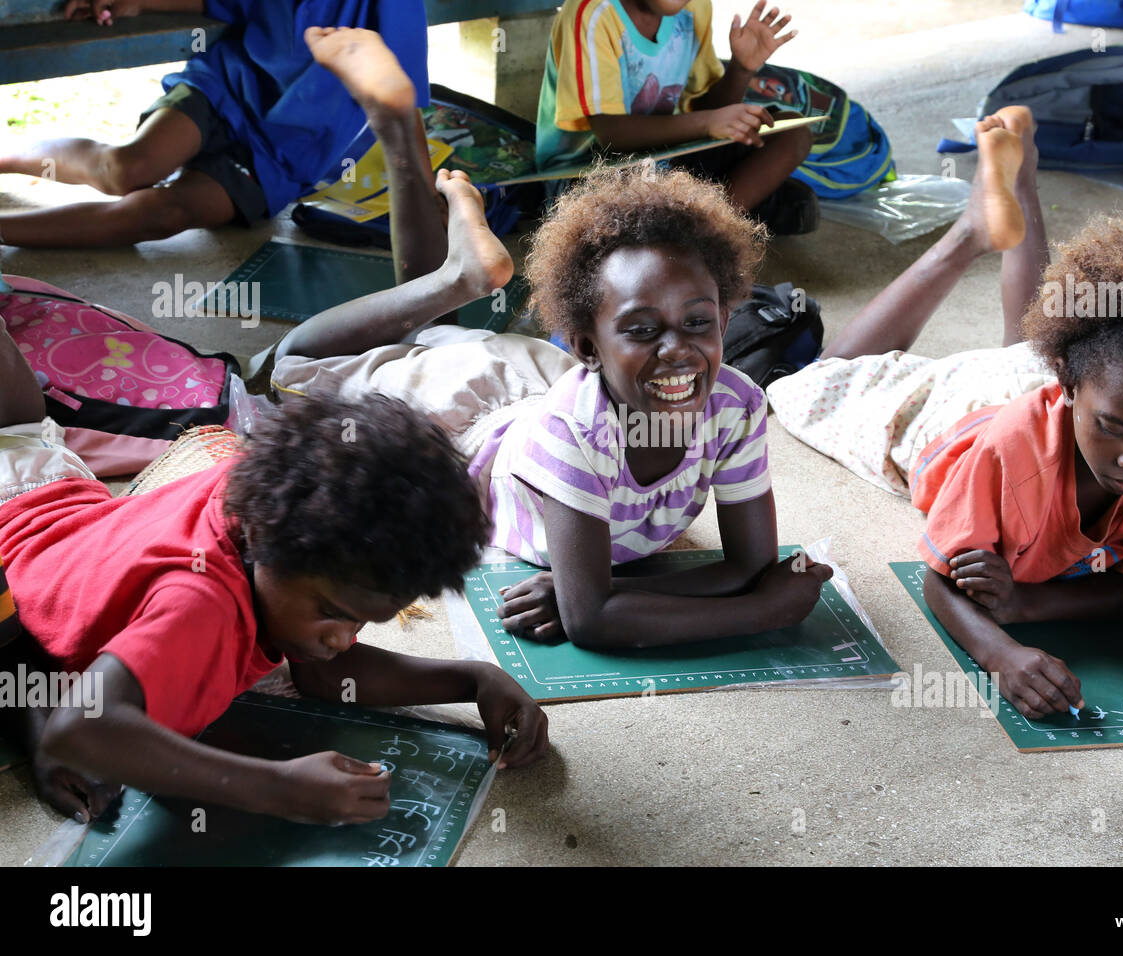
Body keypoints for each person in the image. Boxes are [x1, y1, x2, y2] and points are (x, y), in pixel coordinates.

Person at [0, 28, 550, 829]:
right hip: (15, 557)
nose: (340, 638)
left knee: (22, 424)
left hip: (55, 501)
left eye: (362, 619)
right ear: (264, 537)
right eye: (336, 611)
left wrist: (470, 680)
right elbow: (85, 726)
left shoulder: (277, 539)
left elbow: (329, 673)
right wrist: (278, 787)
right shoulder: (200, 604)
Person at [267, 27, 833, 651]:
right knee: (287, 365)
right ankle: (423, 188)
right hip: (458, 427)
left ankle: (446, 247)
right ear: (587, 346)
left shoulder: (738, 404)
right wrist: (764, 611)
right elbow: (594, 623)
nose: (677, 348)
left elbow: (745, 567)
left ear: (725, 319)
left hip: (538, 384)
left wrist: (612, 592)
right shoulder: (576, 431)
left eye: (697, 322)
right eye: (643, 329)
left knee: (430, 333)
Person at [766, 107, 1123, 719]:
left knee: (1029, 339)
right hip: (953, 417)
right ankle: (971, 233)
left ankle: (1020, 181)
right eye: (1117, 430)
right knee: (811, 384)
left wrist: (1022, 607)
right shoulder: (1011, 451)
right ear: (1066, 386)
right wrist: (1000, 653)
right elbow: (940, 582)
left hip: (1039, 377)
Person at [0, 0, 430, 248]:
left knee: (162, 212)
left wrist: (428, 200)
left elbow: (402, 104)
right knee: (127, 168)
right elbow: (222, 0)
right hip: (225, 87)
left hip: (285, 153)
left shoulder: (394, 5)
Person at [535, 0, 818, 234]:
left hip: (665, 155)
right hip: (590, 169)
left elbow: (709, 109)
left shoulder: (693, 8)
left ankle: (704, 228)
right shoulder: (592, 13)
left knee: (791, 132)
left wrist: (742, 69)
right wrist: (708, 123)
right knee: (632, 195)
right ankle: (711, 218)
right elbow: (611, 134)